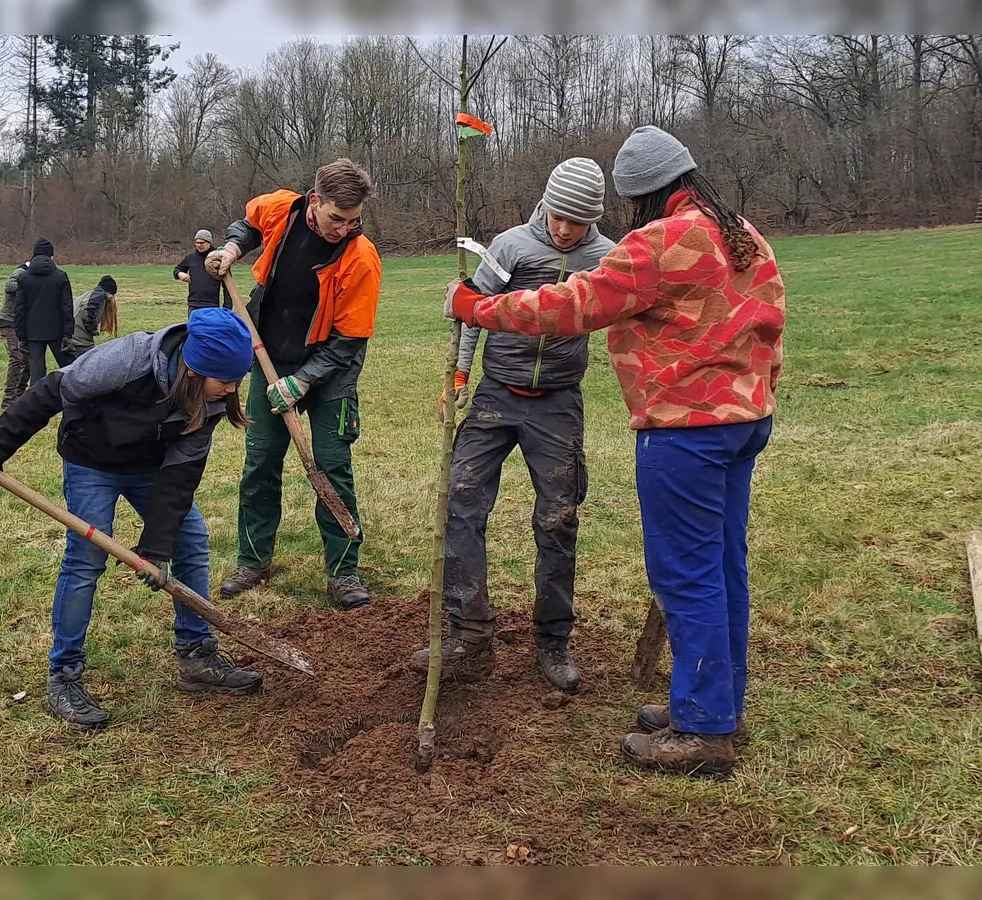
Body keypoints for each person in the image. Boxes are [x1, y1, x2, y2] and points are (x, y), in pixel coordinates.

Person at [442, 126, 785, 776]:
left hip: (686, 431)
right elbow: (772, 320)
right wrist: (757, 394)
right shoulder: (744, 233)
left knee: (686, 575)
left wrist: (478, 308)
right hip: (744, 422)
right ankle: (717, 702)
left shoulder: (659, 241)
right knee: (722, 567)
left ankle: (703, 731)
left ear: (643, 196)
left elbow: (571, 306)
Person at [0, 307, 261, 729]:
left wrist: (155, 549)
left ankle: (196, 654)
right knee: (85, 560)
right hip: (92, 462)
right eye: (225, 380)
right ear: (193, 368)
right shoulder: (128, 359)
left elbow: (180, 478)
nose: (232, 390)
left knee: (191, 542)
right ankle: (64, 676)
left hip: (152, 468)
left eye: (237, 381)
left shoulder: (211, 400)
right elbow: (51, 391)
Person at [407, 158, 614, 693]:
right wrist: (459, 373)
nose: (565, 229)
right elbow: (472, 310)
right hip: (497, 395)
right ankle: (467, 630)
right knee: (461, 500)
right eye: (559, 217)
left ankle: (553, 640)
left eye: (578, 221)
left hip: (558, 404)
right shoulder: (512, 246)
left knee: (558, 520)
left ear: (594, 219)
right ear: (545, 204)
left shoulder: (605, 258)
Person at [203, 158, 382, 611]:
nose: (344, 228)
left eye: (354, 220)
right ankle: (253, 560)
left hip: (330, 376)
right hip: (271, 363)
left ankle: (343, 572)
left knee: (331, 465)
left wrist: (303, 381)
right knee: (260, 462)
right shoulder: (283, 208)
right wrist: (231, 249)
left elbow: (349, 342)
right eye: (336, 219)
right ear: (315, 201)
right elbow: (246, 223)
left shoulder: (361, 258)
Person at [14, 237, 77, 380]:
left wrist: (21, 336)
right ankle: (76, 398)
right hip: (57, 331)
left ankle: (36, 401)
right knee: (70, 369)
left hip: (32, 332)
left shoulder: (24, 277)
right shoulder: (60, 276)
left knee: (36, 374)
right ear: (51, 256)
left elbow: (19, 309)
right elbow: (67, 308)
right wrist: (68, 334)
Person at [0, 259, 31, 409]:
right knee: (17, 357)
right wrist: (29, 286)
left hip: (19, 323)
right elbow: (9, 286)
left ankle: (18, 396)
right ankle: (8, 399)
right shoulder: (20, 272)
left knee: (26, 358)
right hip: (8, 321)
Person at [173, 229, 233, 314]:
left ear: (209, 242)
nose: (199, 245)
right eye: (197, 243)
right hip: (193, 305)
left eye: (202, 243)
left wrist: (227, 307)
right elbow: (177, 270)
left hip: (212, 305)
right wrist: (180, 274)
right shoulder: (191, 258)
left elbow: (227, 285)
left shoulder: (218, 259)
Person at [66, 275, 119, 359]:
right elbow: (87, 308)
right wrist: (92, 328)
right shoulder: (99, 295)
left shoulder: (91, 294)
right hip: (79, 341)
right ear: (110, 293)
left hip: (72, 337)